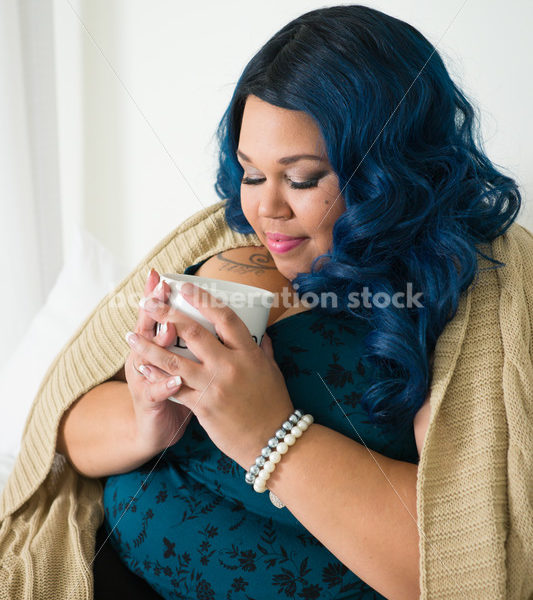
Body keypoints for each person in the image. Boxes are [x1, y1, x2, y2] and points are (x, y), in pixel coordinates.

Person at [2, 4, 532, 600]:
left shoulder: (469, 296)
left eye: (302, 179)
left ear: (391, 171)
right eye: (251, 174)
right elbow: (65, 435)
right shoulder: (226, 244)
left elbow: (462, 559)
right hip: (92, 571)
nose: (266, 211)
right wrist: (151, 419)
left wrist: (269, 434)